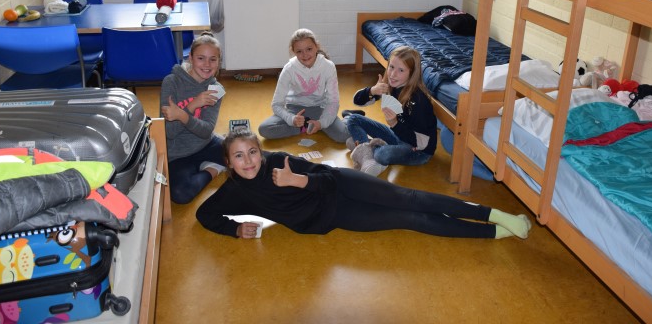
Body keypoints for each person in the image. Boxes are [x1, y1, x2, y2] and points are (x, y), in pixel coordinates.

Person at [195, 129, 531, 240]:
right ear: (229, 163)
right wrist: (235, 229)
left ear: (260, 151)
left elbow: (328, 178)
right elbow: (205, 214)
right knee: (408, 219)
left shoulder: (279, 161)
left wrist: (298, 180)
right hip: (332, 217)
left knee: (409, 198)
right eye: (239, 156)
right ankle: (493, 232)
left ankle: (493, 215)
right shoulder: (234, 190)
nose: (249, 161)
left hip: (342, 185)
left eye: (253, 152)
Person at [344, 46, 437, 176]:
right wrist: (371, 91)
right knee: (353, 119)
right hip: (397, 135)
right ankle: (366, 152)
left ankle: (362, 147)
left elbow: (421, 143)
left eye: (401, 70)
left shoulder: (418, 100)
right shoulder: (390, 86)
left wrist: (394, 123)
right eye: (391, 67)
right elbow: (357, 101)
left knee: (382, 155)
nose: (393, 74)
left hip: (418, 150)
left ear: (412, 73)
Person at [160, 31, 227, 204]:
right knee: (180, 194)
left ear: (219, 62)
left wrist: (181, 115)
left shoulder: (216, 88)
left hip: (206, 143)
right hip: (178, 154)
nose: (207, 64)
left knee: (252, 159)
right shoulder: (171, 82)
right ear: (190, 57)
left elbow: (206, 131)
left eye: (213, 59)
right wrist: (192, 106)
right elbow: (169, 133)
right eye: (201, 58)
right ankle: (213, 169)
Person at [258, 28, 349, 142]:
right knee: (264, 129)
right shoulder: (289, 68)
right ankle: (307, 126)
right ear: (293, 52)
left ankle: (347, 118)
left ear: (317, 46)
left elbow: (333, 102)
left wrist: (322, 123)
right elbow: (276, 104)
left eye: (309, 49)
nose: (305, 55)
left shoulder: (328, 66)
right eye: (299, 51)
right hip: (295, 110)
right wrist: (292, 119)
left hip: (320, 109)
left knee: (343, 136)